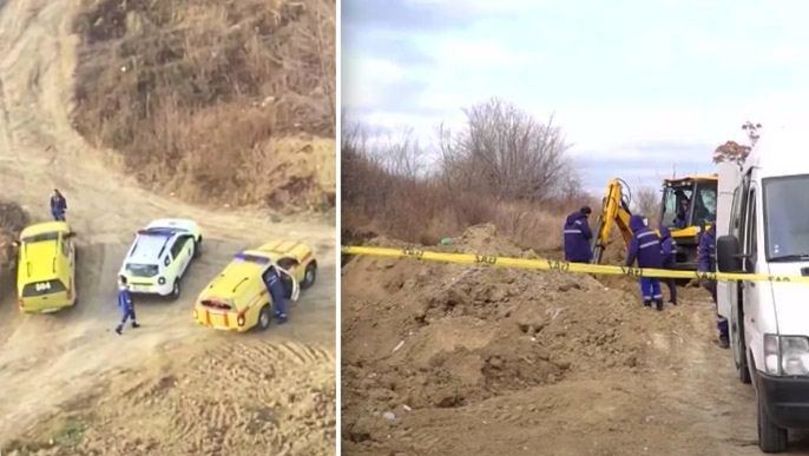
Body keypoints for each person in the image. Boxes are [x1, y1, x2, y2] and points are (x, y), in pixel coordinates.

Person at [698, 222, 728, 348]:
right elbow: (703, 257)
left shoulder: (728, 230)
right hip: (716, 278)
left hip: (732, 275)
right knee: (721, 307)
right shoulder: (707, 236)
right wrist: (705, 274)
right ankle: (724, 335)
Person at [625, 215, 665, 310]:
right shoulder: (652, 232)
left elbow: (632, 253)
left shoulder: (637, 236)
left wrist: (628, 265)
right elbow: (660, 247)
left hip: (645, 264)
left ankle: (648, 303)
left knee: (645, 283)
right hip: (657, 264)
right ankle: (659, 303)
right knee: (655, 282)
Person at [659, 226, 678, 305]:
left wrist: (659, 262)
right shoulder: (671, 240)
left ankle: (673, 300)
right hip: (672, 263)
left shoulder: (667, 241)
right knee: (671, 282)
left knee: (670, 282)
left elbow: (665, 253)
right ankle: (673, 299)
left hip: (668, 265)